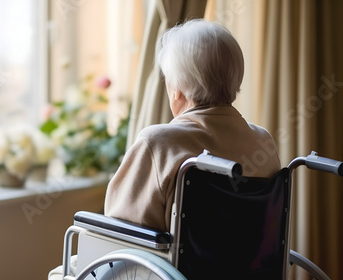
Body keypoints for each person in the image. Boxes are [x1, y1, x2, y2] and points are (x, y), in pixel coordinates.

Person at [104, 19, 281, 232]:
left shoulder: (158, 143)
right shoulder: (263, 141)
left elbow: (118, 233)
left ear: (176, 89)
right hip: (248, 265)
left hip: (172, 266)